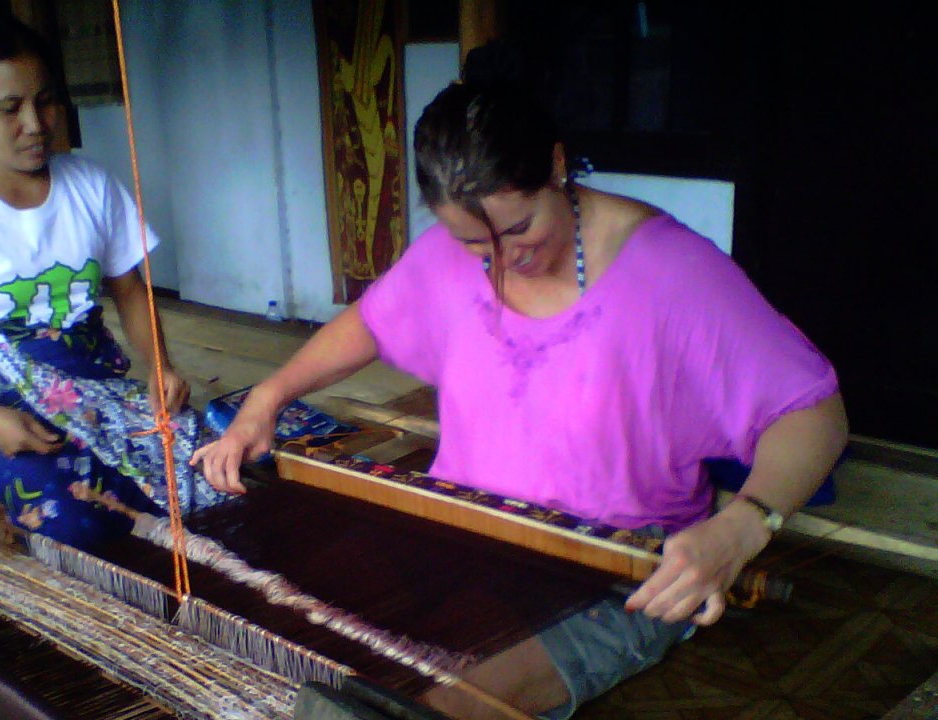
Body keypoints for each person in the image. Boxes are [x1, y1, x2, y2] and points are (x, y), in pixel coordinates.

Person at [192, 42, 848, 719]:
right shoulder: (447, 257)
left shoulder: (670, 273)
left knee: (420, 708)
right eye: (479, 246)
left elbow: (813, 414)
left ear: (558, 166)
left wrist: (744, 526)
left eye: (520, 229)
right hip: (456, 533)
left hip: (610, 576)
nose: (504, 262)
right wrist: (266, 399)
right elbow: (368, 322)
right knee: (264, 626)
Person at [0, 11, 227, 551]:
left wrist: (160, 367)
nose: (36, 124)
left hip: (96, 377)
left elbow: (131, 291)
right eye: (9, 108)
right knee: (76, 517)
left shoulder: (92, 186)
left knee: (212, 478)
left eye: (46, 100)